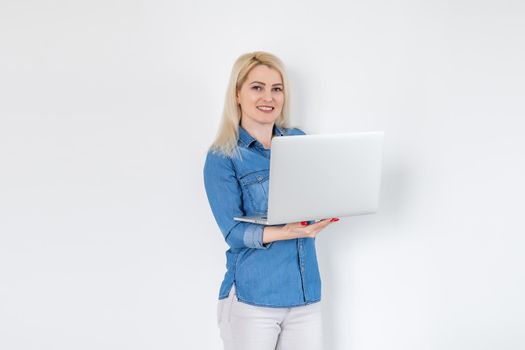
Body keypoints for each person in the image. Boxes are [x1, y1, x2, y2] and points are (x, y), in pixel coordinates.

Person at [203, 51, 339, 350]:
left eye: (277, 88)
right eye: (257, 87)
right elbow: (233, 233)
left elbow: (313, 200)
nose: (269, 97)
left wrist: (335, 202)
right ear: (237, 94)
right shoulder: (223, 156)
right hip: (254, 301)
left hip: (305, 295)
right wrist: (289, 231)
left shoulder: (299, 140)